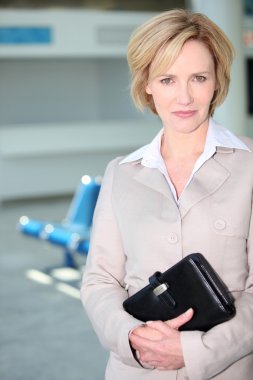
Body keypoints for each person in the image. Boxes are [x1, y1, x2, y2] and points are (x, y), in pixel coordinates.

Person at [81, 8, 253, 380]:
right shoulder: (121, 174)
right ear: (147, 83)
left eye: (199, 78)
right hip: (137, 370)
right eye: (168, 79)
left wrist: (192, 352)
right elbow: (100, 281)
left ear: (216, 81)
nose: (185, 97)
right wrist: (131, 336)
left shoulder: (250, 167)